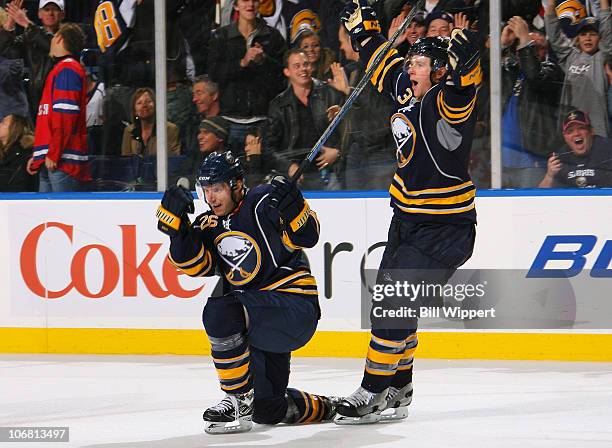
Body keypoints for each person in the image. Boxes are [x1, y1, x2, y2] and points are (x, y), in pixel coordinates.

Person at [335, 1, 479, 423]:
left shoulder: (449, 101)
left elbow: (465, 81)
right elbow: (382, 65)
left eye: (419, 62)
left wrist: (466, 53)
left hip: (446, 226)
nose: (410, 67)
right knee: (398, 303)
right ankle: (399, 385)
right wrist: (365, 33)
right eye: (411, 60)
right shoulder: (409, 88)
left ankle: (372, 390)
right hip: (406, 219)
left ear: (438, 71)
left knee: (393, 303)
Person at [156, 151, 339, 434]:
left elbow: (307, 236)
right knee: (268, 410)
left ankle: (237, 399)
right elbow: (195, 267)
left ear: (237, 185)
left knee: (220, 310)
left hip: (293, 308)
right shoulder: (210, 223)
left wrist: (294, 206)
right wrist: (178, 232)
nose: (211, 197)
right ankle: (331, 406)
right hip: (259, 319)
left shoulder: (264, 201)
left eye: (217, 188)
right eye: (206, 190)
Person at [207, 0, 286, 154]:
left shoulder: (273, 36)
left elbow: (282, 76)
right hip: (230, 121)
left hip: (264, 120)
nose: (250, 4)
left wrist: (264, 61)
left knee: (260, 174)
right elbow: (214, 73)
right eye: (244, 0)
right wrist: (242, 63)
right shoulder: (221, 36)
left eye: (254, 0)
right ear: (235, 5)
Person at [263, 47, 344, 190]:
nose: (303, 69)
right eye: (297, 66)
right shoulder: (278, 105)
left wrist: (338, 151)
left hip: (329, 172)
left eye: (306, 64)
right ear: (287, 72)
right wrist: (289, 166)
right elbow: (268, 148)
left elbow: (350, 130)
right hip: (295, 177)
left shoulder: (329, 93)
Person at [501, 16, 564, 188]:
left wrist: (525, 40)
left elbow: (534, 76)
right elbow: (486, 72)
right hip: (499, 158)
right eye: (526, 46)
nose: (529, 49)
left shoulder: (552, 72)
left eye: (536, 47)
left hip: (530, 159)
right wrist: (503, 46)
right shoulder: (512, 71)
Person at [27, 22, 91, 192]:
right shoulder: (61, 69)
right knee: (47, 217)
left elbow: (65, 116)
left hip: (62, 161)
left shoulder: (68, 70)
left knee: (61, 217)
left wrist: (54, 152)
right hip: (53, 159)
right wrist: (39, 154)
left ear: (60, 39)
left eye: (54, 36)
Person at [544, 0, 611, 137]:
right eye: (583, 34)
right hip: (570, 127)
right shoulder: (570, 57)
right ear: (578, 38)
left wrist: (604, 4)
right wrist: (550, 6)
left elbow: (607, 33)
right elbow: (555, 36)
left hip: (597, 130)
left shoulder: (603, 57)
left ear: (599, 38)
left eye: (593, 34)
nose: (588, 38)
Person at [0, 0, 64, 120]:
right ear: (39, 14)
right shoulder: (30, 35)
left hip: (60, 94)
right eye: (47, 9)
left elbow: (53, 46)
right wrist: (10, 23)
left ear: (62, 15)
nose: (50, 13)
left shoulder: (68, 34)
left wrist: (26, 23)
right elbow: (7, 51)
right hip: (36, 99)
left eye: (55, 10)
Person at [539, 109, 612, 187]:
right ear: (565, 137)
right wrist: (550, 175)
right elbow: (540, 196)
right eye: (570, 131)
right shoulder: (560, 158)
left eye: (581, 128)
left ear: (591, 131)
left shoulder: (608, 148)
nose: (576, 133)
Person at [120, 88, 181, 156]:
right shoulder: (129, 131)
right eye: (139, 103)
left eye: (148, 101)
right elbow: (126, 161)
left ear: (156, 106)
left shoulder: (170, 129)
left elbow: (173, 158)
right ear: (135, 111)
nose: (144, 105)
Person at [0, 113, 36, 192]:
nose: (0, 124)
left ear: (14, 128)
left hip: (18, 200)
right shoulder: (3, 151)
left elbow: (21, 183)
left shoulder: (26, 152)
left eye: (3, 123)